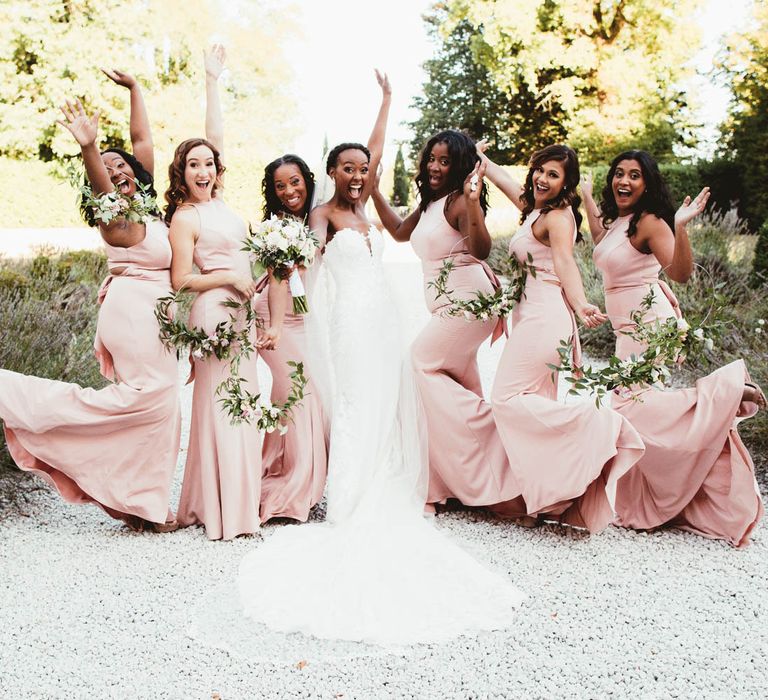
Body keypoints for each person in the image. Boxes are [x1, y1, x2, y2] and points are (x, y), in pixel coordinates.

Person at [195, 74, 524, 654]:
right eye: (345, 169)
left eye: (362, 169)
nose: (355, 175)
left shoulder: (376, 212)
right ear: (331, 174)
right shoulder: (322, 216)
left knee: (390, 395)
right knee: (353, 399)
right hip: (347, 322)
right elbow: (306, 256)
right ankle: (349, 492)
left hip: (383, 320)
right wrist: (275, 273)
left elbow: (376, 160)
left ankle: (400, 474)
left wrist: (387, 104)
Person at [0, 72, 180, 532]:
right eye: (109, 169)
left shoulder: (146, 208)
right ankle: (18, 396)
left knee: (153, 407)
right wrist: (89, 150)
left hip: (149, 319)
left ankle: (141, 505)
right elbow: (104, 190)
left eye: (124, 168)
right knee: (152, 403)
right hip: (135, 317)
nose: (119, 172)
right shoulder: (117, 221)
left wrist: (136, 89)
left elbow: (142, 140)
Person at [582, 150, 765, 547]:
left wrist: (679, 227)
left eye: (634, 175)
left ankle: (723, 395)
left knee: (631, 409)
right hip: (627, 331)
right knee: (630, 411)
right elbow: (602, 243)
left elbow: (680, 274)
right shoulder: (619, 223)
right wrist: (585, 197)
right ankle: (679, 483)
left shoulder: (650, 222)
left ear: (647, 183)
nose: (624, 181)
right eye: (618, 174)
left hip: (651, 328)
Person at [479, 143, 645, 532]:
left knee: (506, 400)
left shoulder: (559, 216)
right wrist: (480, 158)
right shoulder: (534, 207)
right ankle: (538, 500)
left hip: (544, 317)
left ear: (566, 184)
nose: (543, 178)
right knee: (535, 405)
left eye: (554, 175)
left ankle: (599, 425)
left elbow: (565, 262)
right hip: (532, 317)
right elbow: (502, 177)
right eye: (540, 170)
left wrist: (582, 302)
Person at [371, 130, 522, 512]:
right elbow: (400, 233)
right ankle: (470, 482)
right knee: (460, 384)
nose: (435, 167)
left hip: (469, 306)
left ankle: (484, 432)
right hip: (449, 309)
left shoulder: (458, 201)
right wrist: (374, 191)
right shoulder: (434, 201)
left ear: (459, 165)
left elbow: (481, 249)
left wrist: (473, 202)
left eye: (445, 161)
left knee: (418, 365)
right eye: (431, 159)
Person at [169, 45, 270, 540]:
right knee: (220, 404)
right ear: (182, 173)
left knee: (244, 402)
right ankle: (222, 510)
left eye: (209, 163)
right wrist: (229, 279)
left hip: (244, 312)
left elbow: (217, 135)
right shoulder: (186, 217)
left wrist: (213, 79)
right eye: (193, 165)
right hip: (212, 311)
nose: (203, 170)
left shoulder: (226, 207)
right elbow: (181, 280)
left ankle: (238, 504)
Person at [255, 155, 328, 523]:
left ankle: (273, 469)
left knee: (288, 396)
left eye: (295, 182)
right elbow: (279, 278)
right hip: (275, 318)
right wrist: (277, 326)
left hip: (298, 320)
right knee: (302, 395)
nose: (289, 191)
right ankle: (294, 486)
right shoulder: (278, 227)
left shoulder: (312, 220)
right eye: (280, 186)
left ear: (308, 180)